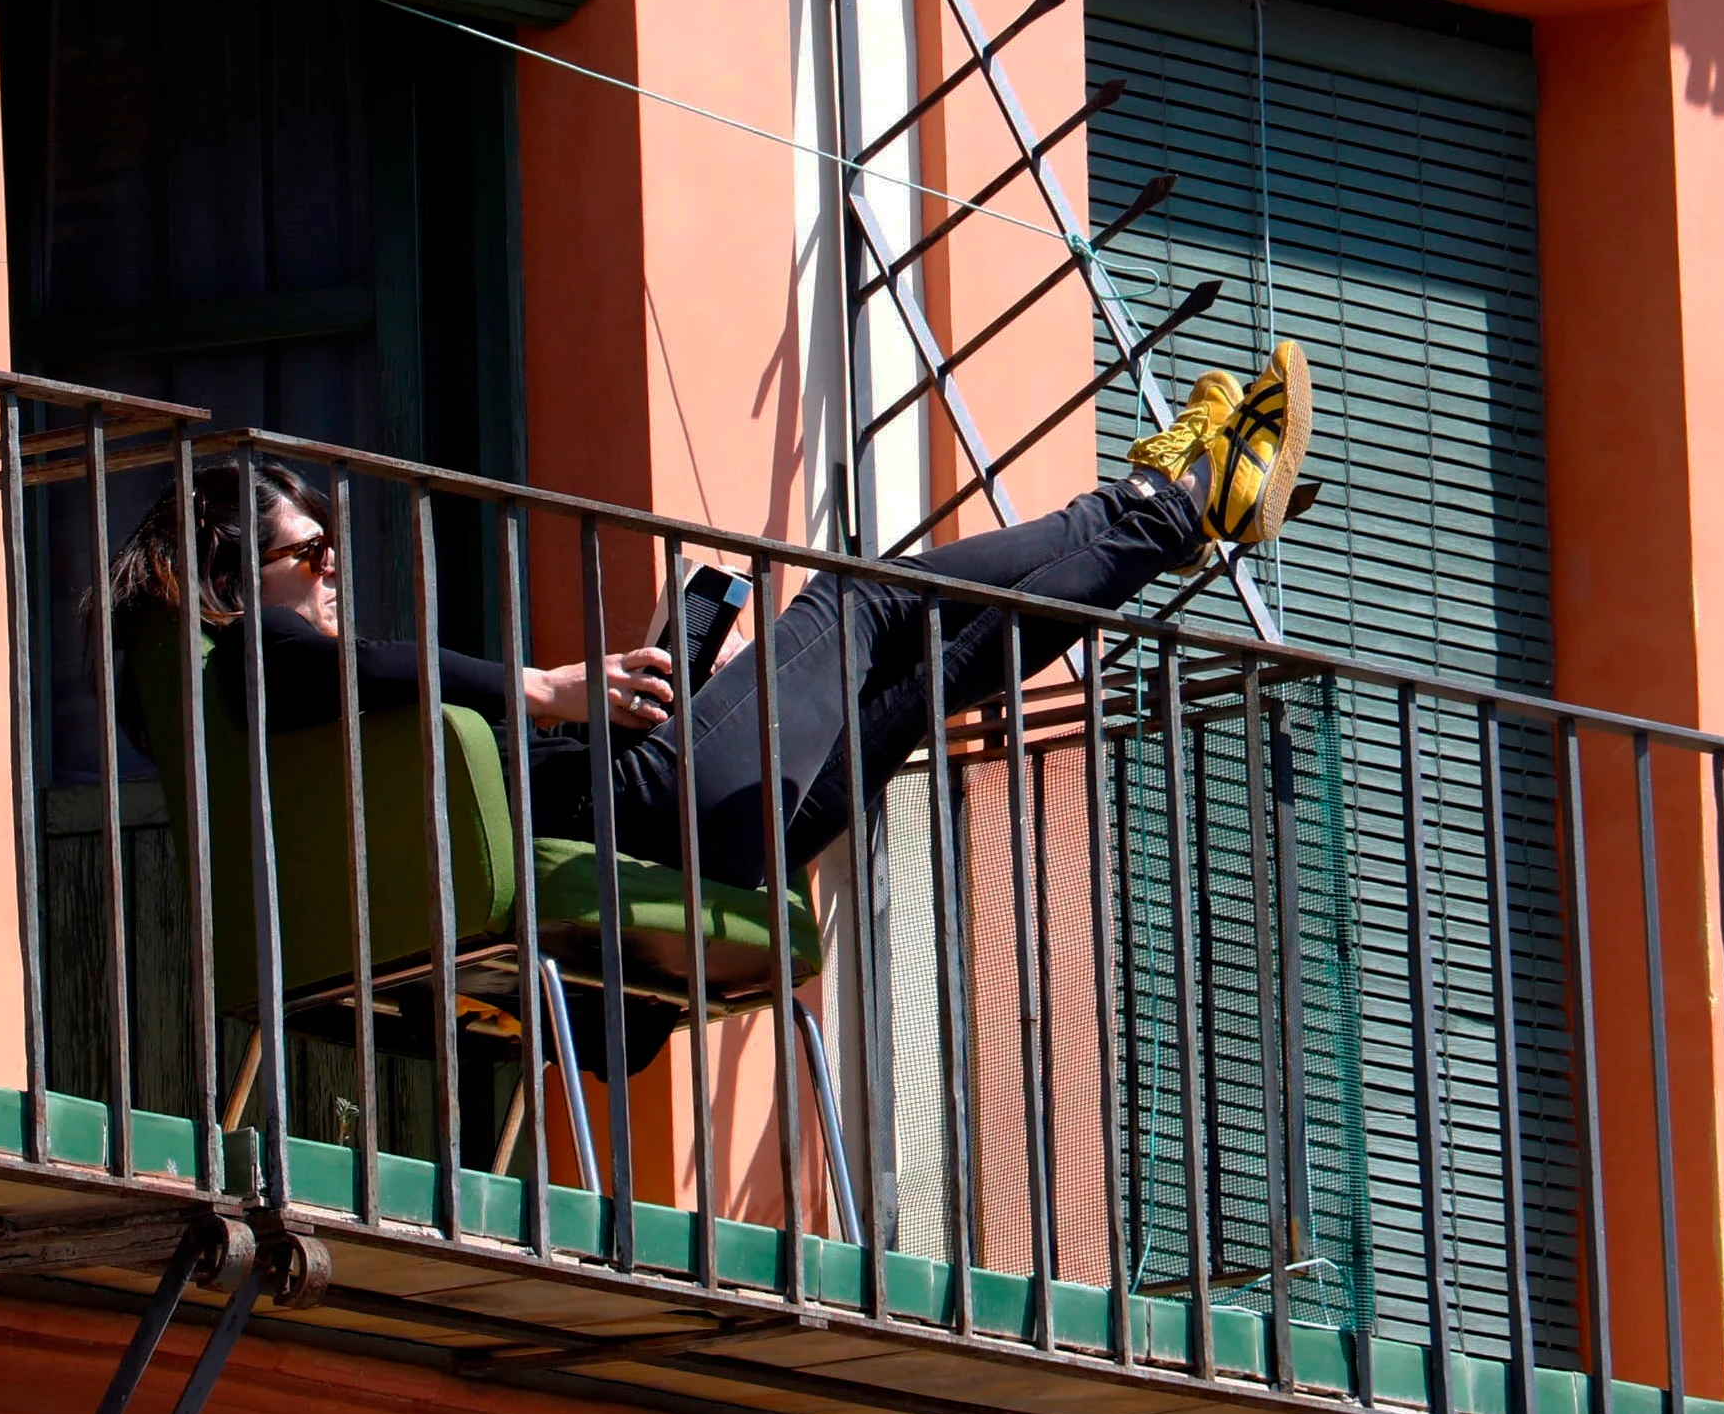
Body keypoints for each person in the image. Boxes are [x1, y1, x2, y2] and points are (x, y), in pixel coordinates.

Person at [103, 340, 1312, 1058]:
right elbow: (325, 657)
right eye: (309, 555)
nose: (328, 576)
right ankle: (1163, 501)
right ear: (229, 576)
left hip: (683, 838)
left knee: (933, 671)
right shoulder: (258, 666)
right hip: (667, 807)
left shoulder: (245, 744)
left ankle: (1176, 512)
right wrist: (544, 685)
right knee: (864, 603)